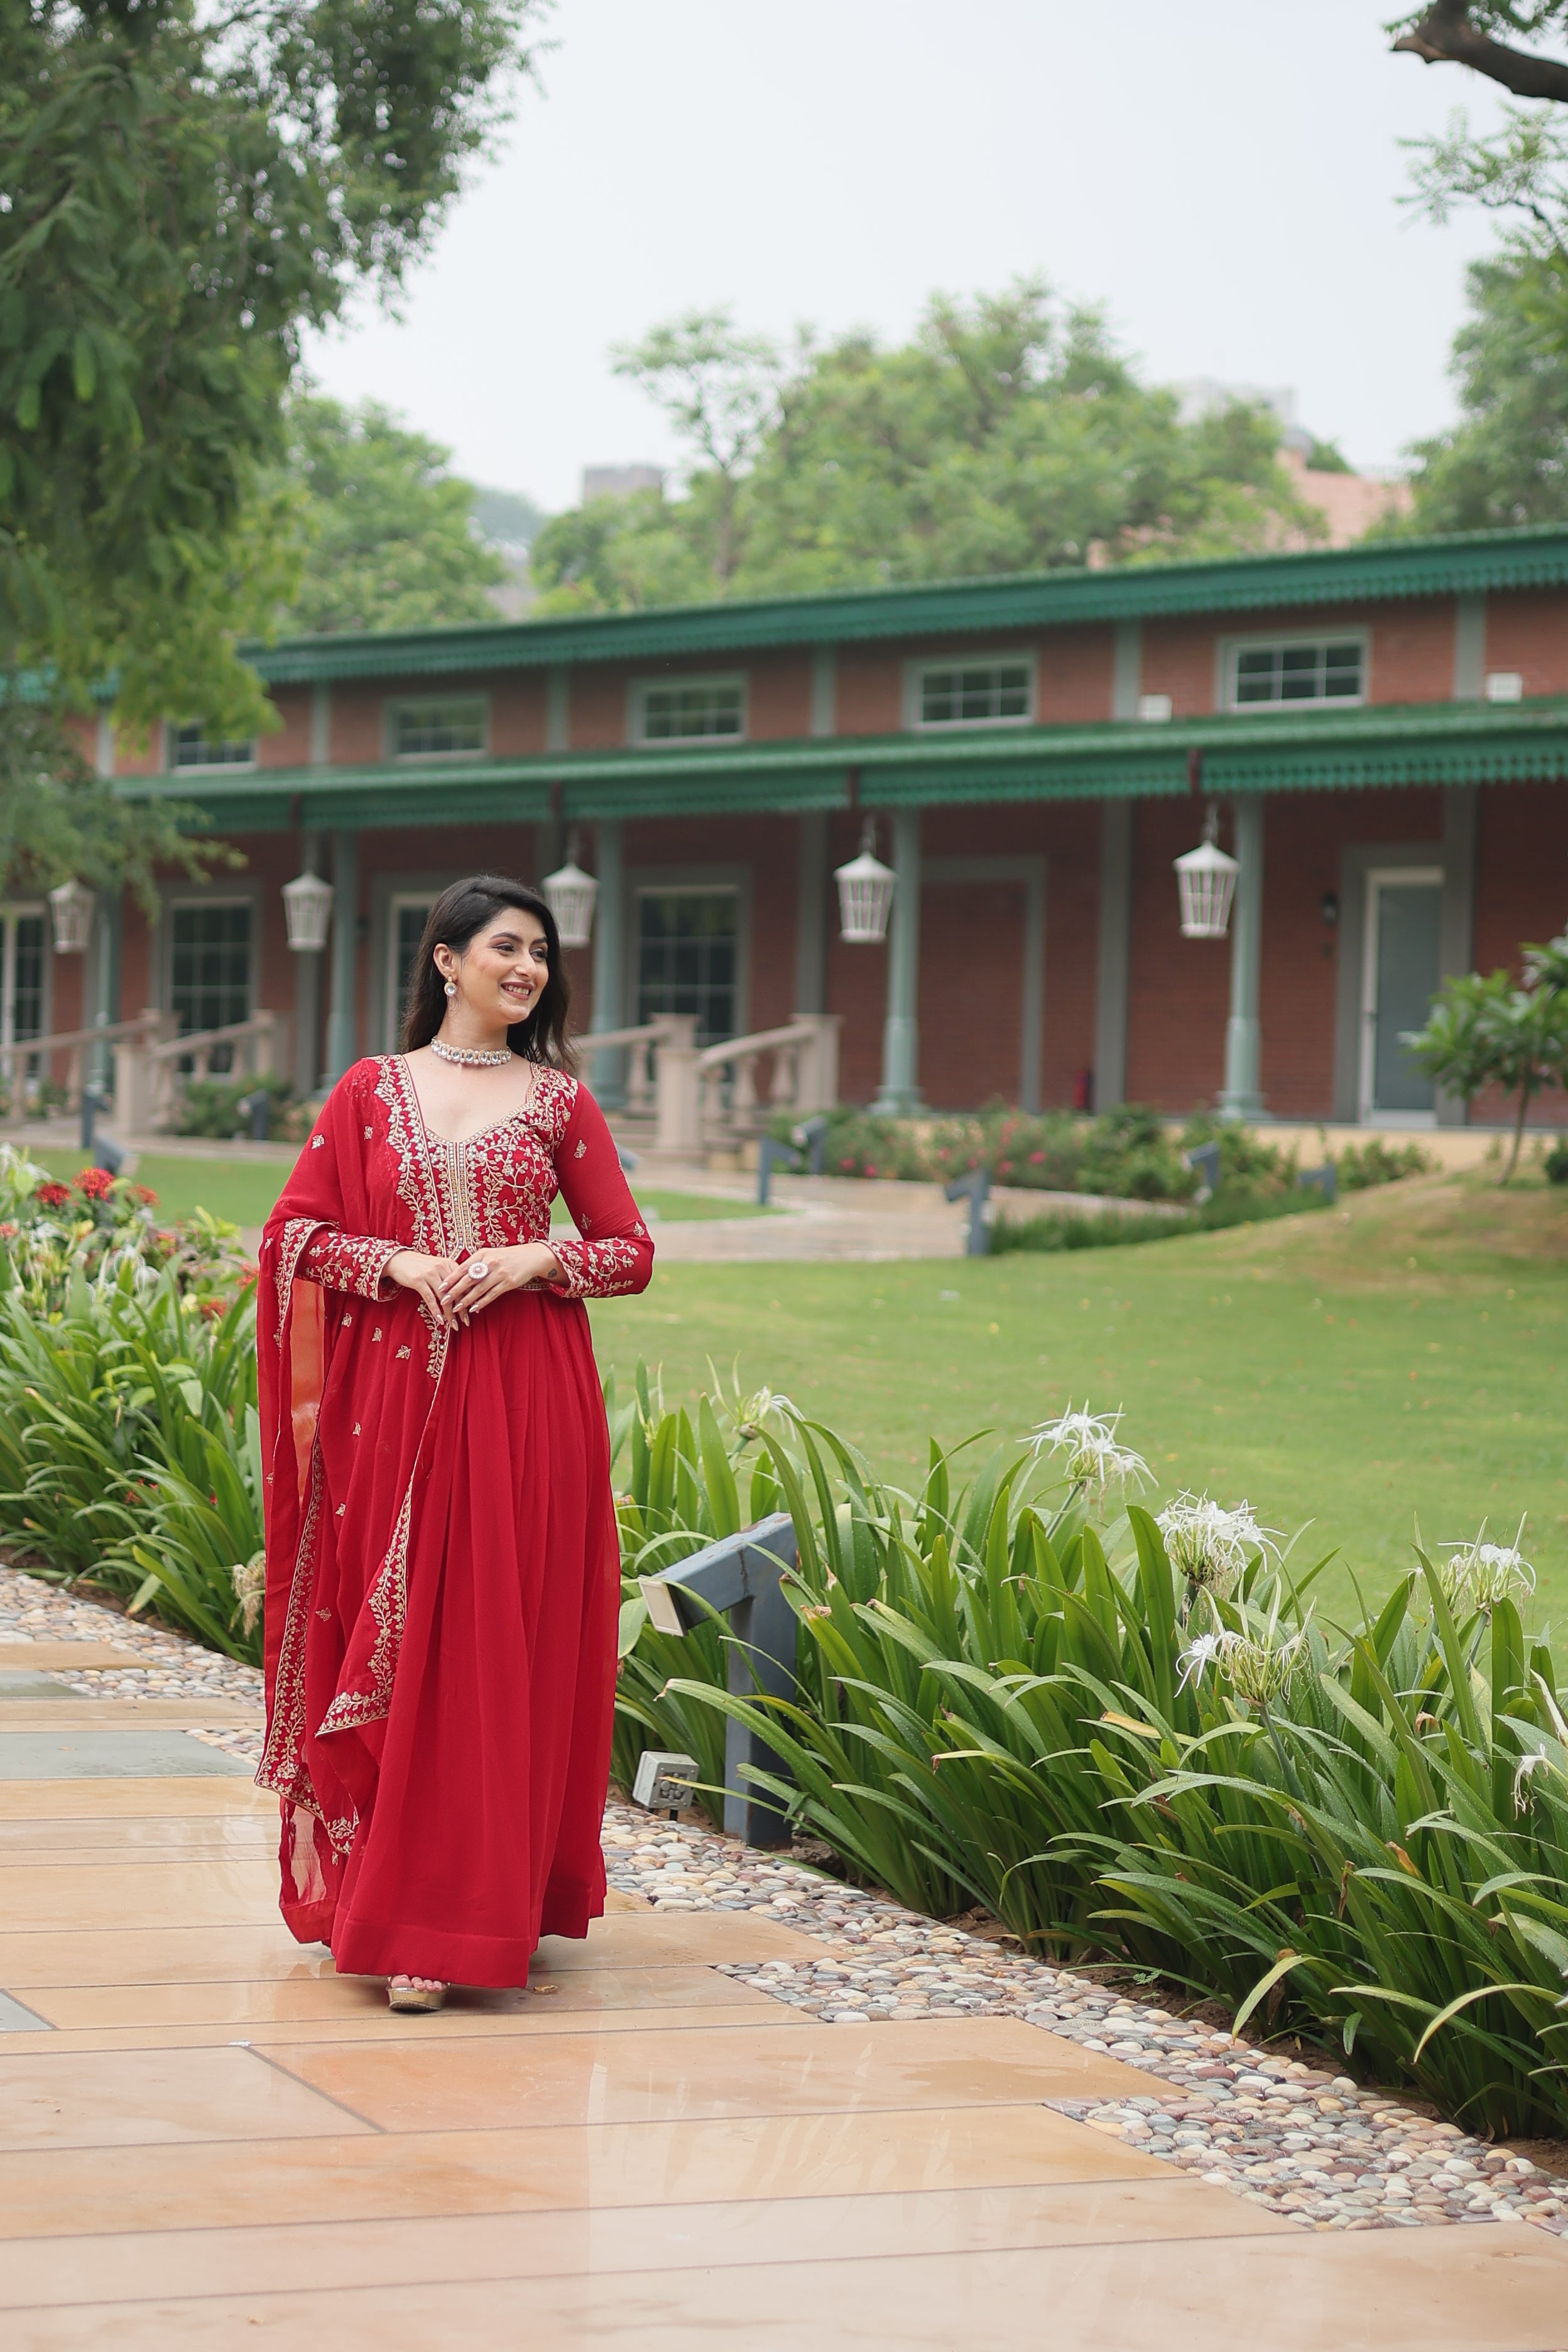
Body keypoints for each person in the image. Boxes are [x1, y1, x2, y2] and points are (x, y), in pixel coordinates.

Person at [255, 874, 653, 2013]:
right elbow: (294, 1234)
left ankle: (456, 1919)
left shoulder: (561, 1102)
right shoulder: (371, 1092)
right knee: (403, 1632)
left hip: (525, 1402)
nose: (526, 970)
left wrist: (535, 1261)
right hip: (389, 1407)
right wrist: (401, 1264)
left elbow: (627, 1251)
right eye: (505, 949)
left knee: (486, 1641)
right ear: (445, 961)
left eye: (541, 954)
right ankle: (395, 1893)